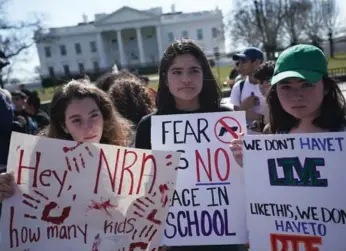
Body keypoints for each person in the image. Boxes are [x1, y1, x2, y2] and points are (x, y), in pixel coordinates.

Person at [135, 39, 243, 251]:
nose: (186, 79)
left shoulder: (227, 120)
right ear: (165, 78)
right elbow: (144, 187)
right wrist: (153, 231)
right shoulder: (149, 126)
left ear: (205, 74)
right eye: (176, 72)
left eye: (194, 70)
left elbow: (244, 179)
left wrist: (245, 161)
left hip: (226, 235)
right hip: (174, 237)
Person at [0, 79, 133, 200]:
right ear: (64, 126)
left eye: (94, 116)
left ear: (104, 116)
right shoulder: (40, 169)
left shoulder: (129, 159)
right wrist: (10, 189)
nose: (89, 127)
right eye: (76, 120)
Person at [231, 44, 346, 167]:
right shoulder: (272, 134)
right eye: (286, 87)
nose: (296, 96)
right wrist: (251, 164)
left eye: (306, 85)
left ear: (326, 87)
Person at [229, 47, 266, 129]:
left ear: (257, 63)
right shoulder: (239, 86)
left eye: (244, 62)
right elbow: (236, 117)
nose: (240, 66)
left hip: (270, 138)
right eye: (239, 63)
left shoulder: (271, 85)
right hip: (248, 139)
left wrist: (259, 118)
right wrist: (243, 107)